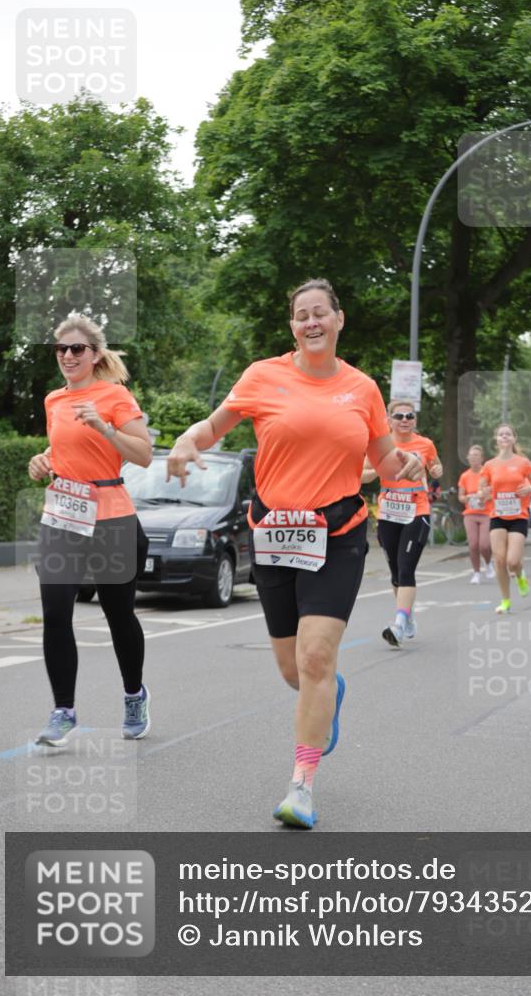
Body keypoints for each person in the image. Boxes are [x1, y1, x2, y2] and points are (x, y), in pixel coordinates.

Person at [166, 279, 424, 830]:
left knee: (314, 658)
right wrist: (187, 442)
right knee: (293, 669)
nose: (310, 322)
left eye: (320, 313)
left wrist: (411, 464)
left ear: (338, 319)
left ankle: (301, 785)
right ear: (292, 327)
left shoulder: (362, 389)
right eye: (300, 315)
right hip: (275, 533)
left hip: (338, 533)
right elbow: (213, 427)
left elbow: (385, 458)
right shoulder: (263, 376)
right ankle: (328, 690)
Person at [28, 315, 152, 746]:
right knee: (56, 614)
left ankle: (134, 694)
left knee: (119, 616)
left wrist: (104, 425)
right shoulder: (53, 401)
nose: (67, 356)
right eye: (61, 349)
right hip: (63, 515)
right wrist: (42, 462)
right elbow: (63, 450)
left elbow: (144, 454)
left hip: (111, 515)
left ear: (95, 355)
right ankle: (64, 710)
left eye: (77, 348)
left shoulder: (115, 396)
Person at [362, 399, 442, 647]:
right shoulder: (379, 445)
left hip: (416, 511)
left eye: (409, 416)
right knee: (396, 572)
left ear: (415, 420)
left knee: (406, 569)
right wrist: (376, 469)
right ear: (389, 419)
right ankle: (408, 616)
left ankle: (398, 623)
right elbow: (362, 476)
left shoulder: (425, 444)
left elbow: (435, 465)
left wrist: (437, 469)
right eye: (399, 416)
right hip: (389, 513)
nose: (404, 420)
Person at [479, 424, 531, 615]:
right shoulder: (489, 465)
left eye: (508, 434)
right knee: (499, 560)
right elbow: (481, 491)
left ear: (514, 439)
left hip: (518, 516)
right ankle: (505, 601)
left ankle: (520, 576)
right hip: (497, 515)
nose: (504, 437)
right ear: (496, 439)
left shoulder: (523, 463)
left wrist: (529, 489)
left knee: (513, 561)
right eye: (501, 434)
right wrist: (484, 493)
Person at [458, 444, 495, 585]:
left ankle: (488, 563)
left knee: (484, 545)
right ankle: (476, 573)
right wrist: (468, 498)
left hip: (486, 513)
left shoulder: (487, 474)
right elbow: (460, 497)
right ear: (467, 458)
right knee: (473, 545)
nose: (473, 458)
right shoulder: (464, 476)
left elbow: (494, 493)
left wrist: (485, 497)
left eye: (476, 456)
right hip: (470, 514)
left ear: (482, 458)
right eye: (471, 456)